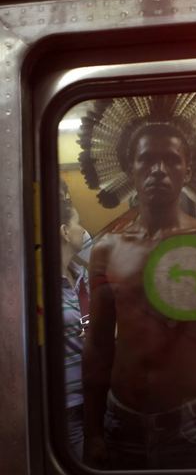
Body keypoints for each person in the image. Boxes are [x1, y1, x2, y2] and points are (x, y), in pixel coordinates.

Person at [80, 94, 196, 470]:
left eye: (171, 160)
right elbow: (99, 345)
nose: (159, 169)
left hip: (190, 422)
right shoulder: (106, 249)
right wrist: (92, 431)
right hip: (120, 420)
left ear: (187, 170)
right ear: (130, 168)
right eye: (146, 159)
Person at [59, 188, 89, 459]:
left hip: (88, 396)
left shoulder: (79, 276)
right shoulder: (40, 283)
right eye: (78, 223)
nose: (83, 230)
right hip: (63, 404)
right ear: (65, 232)